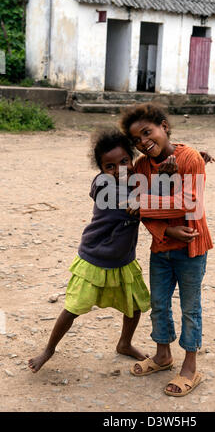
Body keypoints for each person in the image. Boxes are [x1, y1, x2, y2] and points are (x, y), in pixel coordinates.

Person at [28, 129, 153, 373]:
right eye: (110, 166)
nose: (118, 169)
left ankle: (124, 343)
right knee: (73, 307)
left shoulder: (137, 184)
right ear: (101, 170)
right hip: (95, 258)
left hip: (124, 260)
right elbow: (127, 199)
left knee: (135, 307)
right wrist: (144, 202)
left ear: (132, 159)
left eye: (124, 162)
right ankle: (49, 350)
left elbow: (156, 176)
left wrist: (187, 160)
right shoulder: (102, 185)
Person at [120, 103, 214, 397]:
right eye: (137, 140)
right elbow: (135, 210)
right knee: (158, 303)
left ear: (164, 126)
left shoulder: (189, 158)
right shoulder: (142, 168)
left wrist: (143, 206)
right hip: (161, 247)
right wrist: (165, 229)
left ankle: (190, 367)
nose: (144, 142)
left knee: (190, 308)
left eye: (147, 132)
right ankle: (163, 355)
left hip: (191, 249)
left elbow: (188, 203)